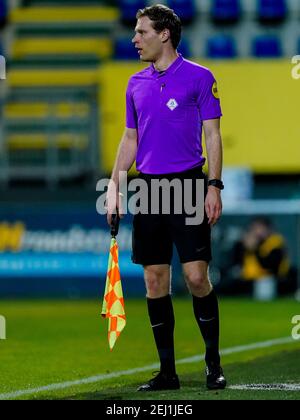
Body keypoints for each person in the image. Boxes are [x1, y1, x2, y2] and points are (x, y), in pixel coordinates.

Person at [106, 4, 226, 391]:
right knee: (155, 281)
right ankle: (167, 373)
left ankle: (212, 363)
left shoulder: (200, 77)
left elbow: (212, 135)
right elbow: (130, 139)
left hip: (189, 184)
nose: (134, 39)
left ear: (165, 35)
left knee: (195, 277)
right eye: (136, 32)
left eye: (141, 32)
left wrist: (214, 186)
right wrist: (114, 187)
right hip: (149, 188)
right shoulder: (135, 83)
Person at [230, 217, 290, 300]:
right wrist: (242, 246)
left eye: (260, 228)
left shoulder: (275, 243)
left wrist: (255, 249)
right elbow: (236, 262)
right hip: (246, 281)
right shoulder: (246, 243)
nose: (256, 232)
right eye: (254, 228)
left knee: (264, 285)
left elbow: (268, 266)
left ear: (268, 229)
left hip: (269, 281)